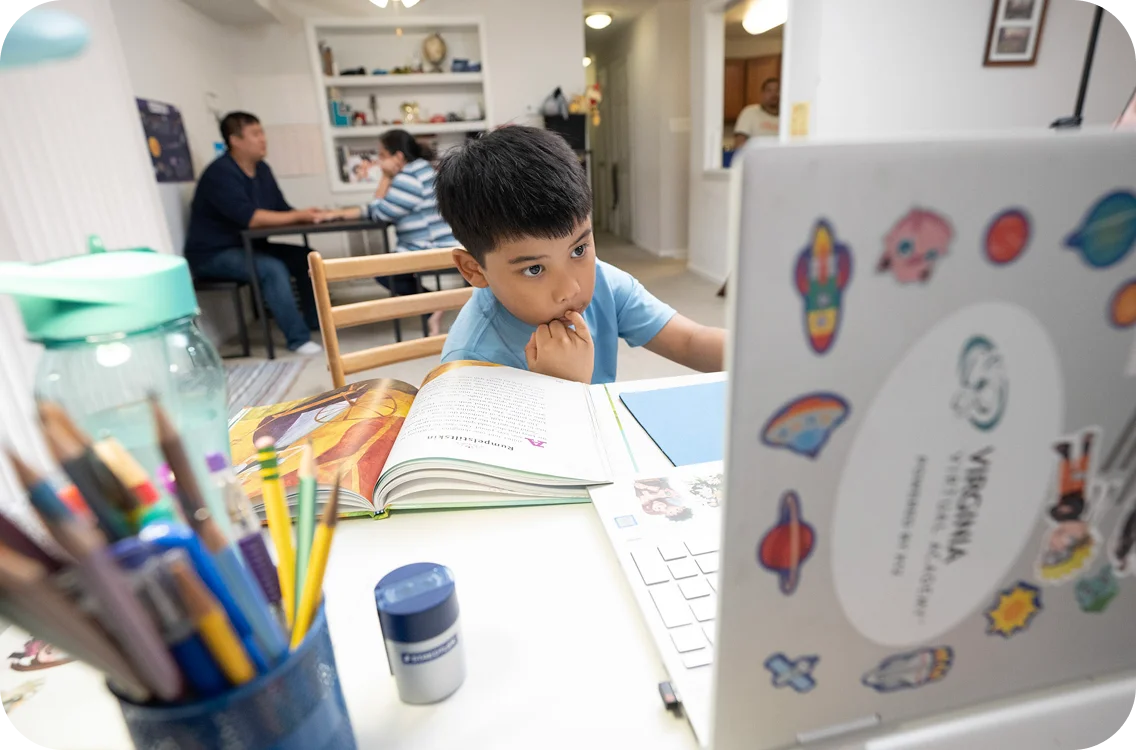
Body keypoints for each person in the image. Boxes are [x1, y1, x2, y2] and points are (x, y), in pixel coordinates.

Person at [433, 126, 725, 385]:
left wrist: (762, 359)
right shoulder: (471, 364)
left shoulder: (604, 283)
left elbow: (689, 341)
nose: (571, 288)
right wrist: (563, 388)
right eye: (534, 269)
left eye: (579, 249)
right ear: (474, 270)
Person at [184, 111, 326, 355]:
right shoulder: (220, 173)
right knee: (272, 269)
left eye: (262, 133)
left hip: (252, 246)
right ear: (235, 140)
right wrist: (298, 215)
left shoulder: (262, 170)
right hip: (213, 254)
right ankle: (297, 339)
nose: (263, 139)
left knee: (307, 257)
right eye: (255, 134)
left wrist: (309, 216)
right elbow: (250, 218)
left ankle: (315, 323)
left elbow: (281, 209)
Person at [322, 130, 457, 337]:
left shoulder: (408, 178)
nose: (378, 161)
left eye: (382, 155)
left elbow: (380, 212)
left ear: (398, 157)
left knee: (384, 272)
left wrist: (385, 177)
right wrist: (338, 214)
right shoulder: (425, 170)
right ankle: (432, 304)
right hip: (445, 243)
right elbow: (379, 208)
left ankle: (432, 304)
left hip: (428, 246)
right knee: (390, 268)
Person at [734, 77, 780, 149]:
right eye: (769, 90)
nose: (774, 94)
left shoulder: (789, 117)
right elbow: (739, 143)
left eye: (777, 90)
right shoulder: (750, 112)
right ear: (762, 93)